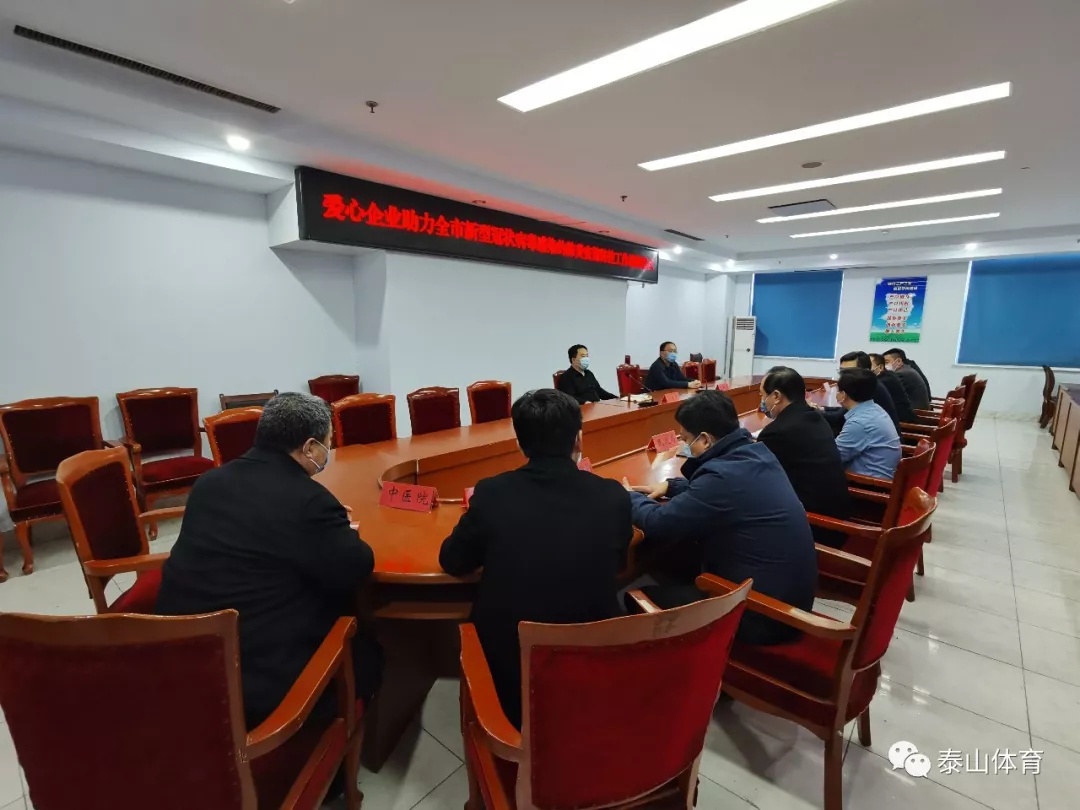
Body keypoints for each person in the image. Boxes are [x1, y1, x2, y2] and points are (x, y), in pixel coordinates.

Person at [156, 392, 382, 730]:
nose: (328, 451)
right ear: (309, 448)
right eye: (327, 444)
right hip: (256, 687)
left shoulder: (210, 482)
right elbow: (357, 566)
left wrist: (324, 524)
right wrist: (335, 526)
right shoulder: (308, 501)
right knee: (371, 651)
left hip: (185, 658)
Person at [440, 389, 632, 729]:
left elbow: (453, 561)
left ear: (519, 443)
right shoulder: (613, 496)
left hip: (511, 673)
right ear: (579, 439)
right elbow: (618, 565)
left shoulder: (492, 493)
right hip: (593, 658)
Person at [625, 390, 817, 645]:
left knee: (634, 595)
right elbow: (723, 492)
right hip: (788, 598)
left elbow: (658, 522)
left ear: (705, 439)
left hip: (762, 615)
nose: (685, 445)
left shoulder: (722, 477)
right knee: (675, 559)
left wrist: (626, 496)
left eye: (686, 439)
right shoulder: (757, 453)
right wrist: (672, 486)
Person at [757, 367, 851, 548]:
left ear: (776, 396)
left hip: (813, 527)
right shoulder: (815, 416)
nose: (762, 402)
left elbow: (759, 482)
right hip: (837, 518)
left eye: (762, 395)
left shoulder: (776, 432)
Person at [835, 369, 902, 479]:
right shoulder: (875, 408)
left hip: (867, 484)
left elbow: (833, 458)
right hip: (880, 475)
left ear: (843, 395)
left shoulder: (859, 423)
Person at [819, 351, 900, 435]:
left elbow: (839, 418)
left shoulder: (870, 388)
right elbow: (844, 410)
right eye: (842, 371)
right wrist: (823, 409)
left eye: (849, 372)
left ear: (865, 371)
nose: (843, 376)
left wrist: (815, 412)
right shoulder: (866, 383)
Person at [869, 352, 917, 423]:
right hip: (894, 418)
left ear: (881, 367)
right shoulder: (889, 375)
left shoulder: (883, 381)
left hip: (902, 422)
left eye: (869, 366)